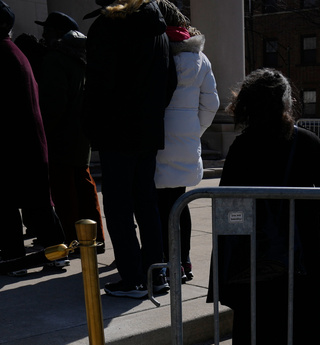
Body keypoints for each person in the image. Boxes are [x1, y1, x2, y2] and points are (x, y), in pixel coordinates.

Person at [210, 68, 320, 345]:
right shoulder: (306, 142)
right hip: (304, 244)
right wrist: (301, 217)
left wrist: (238, 244)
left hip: (257, 247)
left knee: (264, 313)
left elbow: (228, 204)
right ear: (285, 101)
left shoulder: (242, 147)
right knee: (308, 310)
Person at [85, 0, 176, 298]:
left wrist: (98, 123)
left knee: (119, 207)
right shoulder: (158, 30)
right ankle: (156, 273)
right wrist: (149, 113)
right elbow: (170, 81)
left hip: (117, 132)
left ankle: (134, 278)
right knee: (146, 203)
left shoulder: (108, 26)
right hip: (147, 130)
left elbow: (99, 85)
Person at [0, 1, 67, 273]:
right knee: (38, 202)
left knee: (2, 204)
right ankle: (56, 253)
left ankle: (13, 257)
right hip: (29, 141)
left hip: (3, 144)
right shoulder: (15, 53)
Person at [153, 1, 219, 287]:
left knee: (157, 204)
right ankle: (184, 260)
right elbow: (212, 103)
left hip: (155, 138)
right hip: (186, 138)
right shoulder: (199, 58)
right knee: (180, 201)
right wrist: (195, 129)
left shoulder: (155, 51)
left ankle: (165, 262)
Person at [36, 21, 106, 251]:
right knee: (85, 188)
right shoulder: (85, 62)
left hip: (62, 139)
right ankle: (95, 239)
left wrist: (46, 132)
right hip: (81, 136)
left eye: (48, 30)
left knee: (65, 193)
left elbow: (53, 104)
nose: (44, 35)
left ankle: (73, 240)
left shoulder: (56, 61)